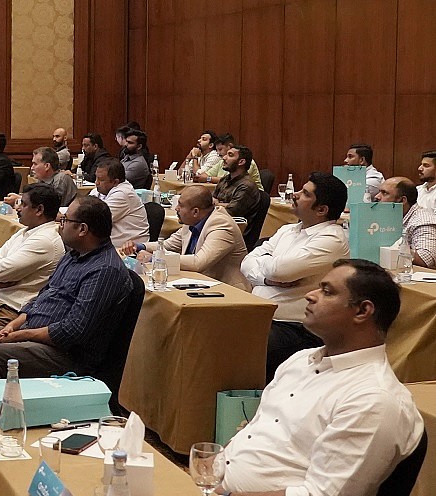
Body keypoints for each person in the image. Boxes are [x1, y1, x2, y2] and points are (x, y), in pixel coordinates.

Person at [218, 259, 423, 496]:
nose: (310, 295)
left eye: (327, 291)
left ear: (363, 311)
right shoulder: (299, 361)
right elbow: (255, 434)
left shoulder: (374, 400)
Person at [0, 196, 134, 379]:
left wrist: (21, 335)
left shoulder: (104, 270)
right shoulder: (73, 254)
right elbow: (42, 296)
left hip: (65, 355)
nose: (59, 224)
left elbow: (72, 331)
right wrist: (14, 325)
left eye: (65, 220)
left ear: (82, 229)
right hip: (33, 331)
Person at [241, 172, 349, 380]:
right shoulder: (288, 230)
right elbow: (247, 261)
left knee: (240, 345)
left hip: (295, 327)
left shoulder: (332, 239)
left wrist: (266, 264)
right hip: (261, 315)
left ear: (322, 210)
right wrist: (265, 278)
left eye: (305, 193)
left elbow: (279, 271)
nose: (295, 194)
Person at [121, 185, 249, 289]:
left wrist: (155, 258)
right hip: (199, 283)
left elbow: (199, 263)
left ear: (195, 212)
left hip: (227, 290)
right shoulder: (193, 221)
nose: (176, 208)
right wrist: (139, 246)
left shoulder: (222, 225)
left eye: (180, 205)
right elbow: (169, 245)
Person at [0, 184, 65, 325]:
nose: (17, 208)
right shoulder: (25, 231)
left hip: (11, 312)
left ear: (39, 210)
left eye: (23, 204)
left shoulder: (45, 241)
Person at [375, 176, 436, 268]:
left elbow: (426, 259)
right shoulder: (388, 215)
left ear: (402, 200)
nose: (377, 197)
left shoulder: (422, 221)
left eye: (384, 193)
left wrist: (393, 249)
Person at [90, 159, 149, 245]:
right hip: (110, 246)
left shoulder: (123, 193)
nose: (96, 182)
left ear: (115, 182)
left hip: (130, 249)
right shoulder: (100, 190)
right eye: (96, 178)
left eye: (101, 180)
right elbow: (83, 208)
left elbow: (95, 220)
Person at [212, 144, 260, 220]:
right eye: (226, 154)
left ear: (241, 162)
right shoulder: (224, 179)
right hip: (218, 219)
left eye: (230, 155)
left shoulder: (247, 185)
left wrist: (217, 204)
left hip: (233, 226)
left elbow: (232, 211)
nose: (224, 158)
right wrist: (220, 204)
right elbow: (212, 199)